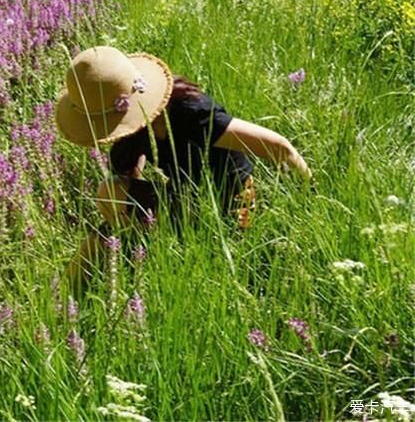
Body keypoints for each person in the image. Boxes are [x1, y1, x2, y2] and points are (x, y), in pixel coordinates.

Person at [54, 46, 312, 293]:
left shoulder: (192, 114)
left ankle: (139, 265)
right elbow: (126, 178)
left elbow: (278, 146)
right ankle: (65, 300)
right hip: (185, 196)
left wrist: (308, 196)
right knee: (108, 195)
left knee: (110, 206)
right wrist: (130, 215)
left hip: (227, 205)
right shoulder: (129, 133)